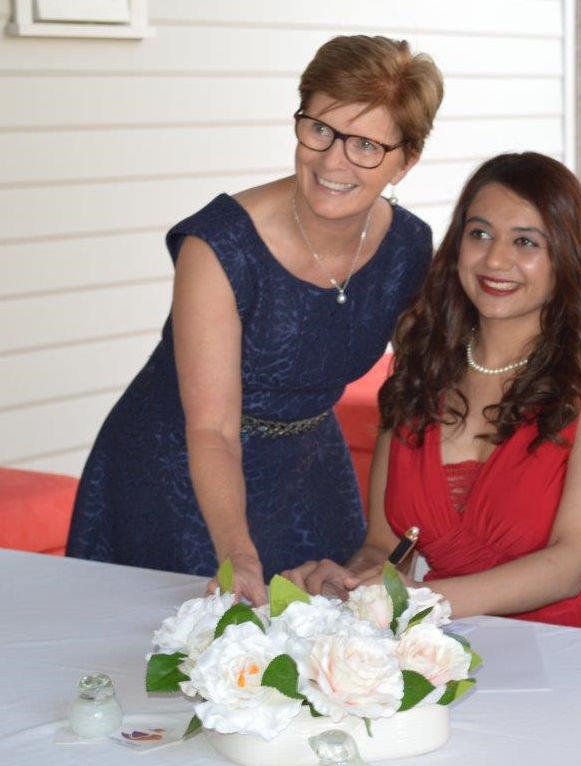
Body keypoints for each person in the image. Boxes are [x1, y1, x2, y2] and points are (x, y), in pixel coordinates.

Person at [66, 35, 444, 604]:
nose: (332, 160)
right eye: (320, 129)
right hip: (181, 469)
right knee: (200, 637)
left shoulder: (409, 246)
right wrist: (238, 553)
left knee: (332, 630)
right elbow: (212, 429)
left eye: (366, 144)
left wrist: (386, 537)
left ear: (406, 161)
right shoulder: (219, 245)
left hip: (310, 465)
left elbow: (413, 397)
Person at [285, 152, 581, 636]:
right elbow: (385, 546)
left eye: (525, 241)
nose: (495, 259)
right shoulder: (417, 376)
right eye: (479, 234)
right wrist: (351, 584)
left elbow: (570, 567)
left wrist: (421, 600)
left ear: (565, 257)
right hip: (449, 645)